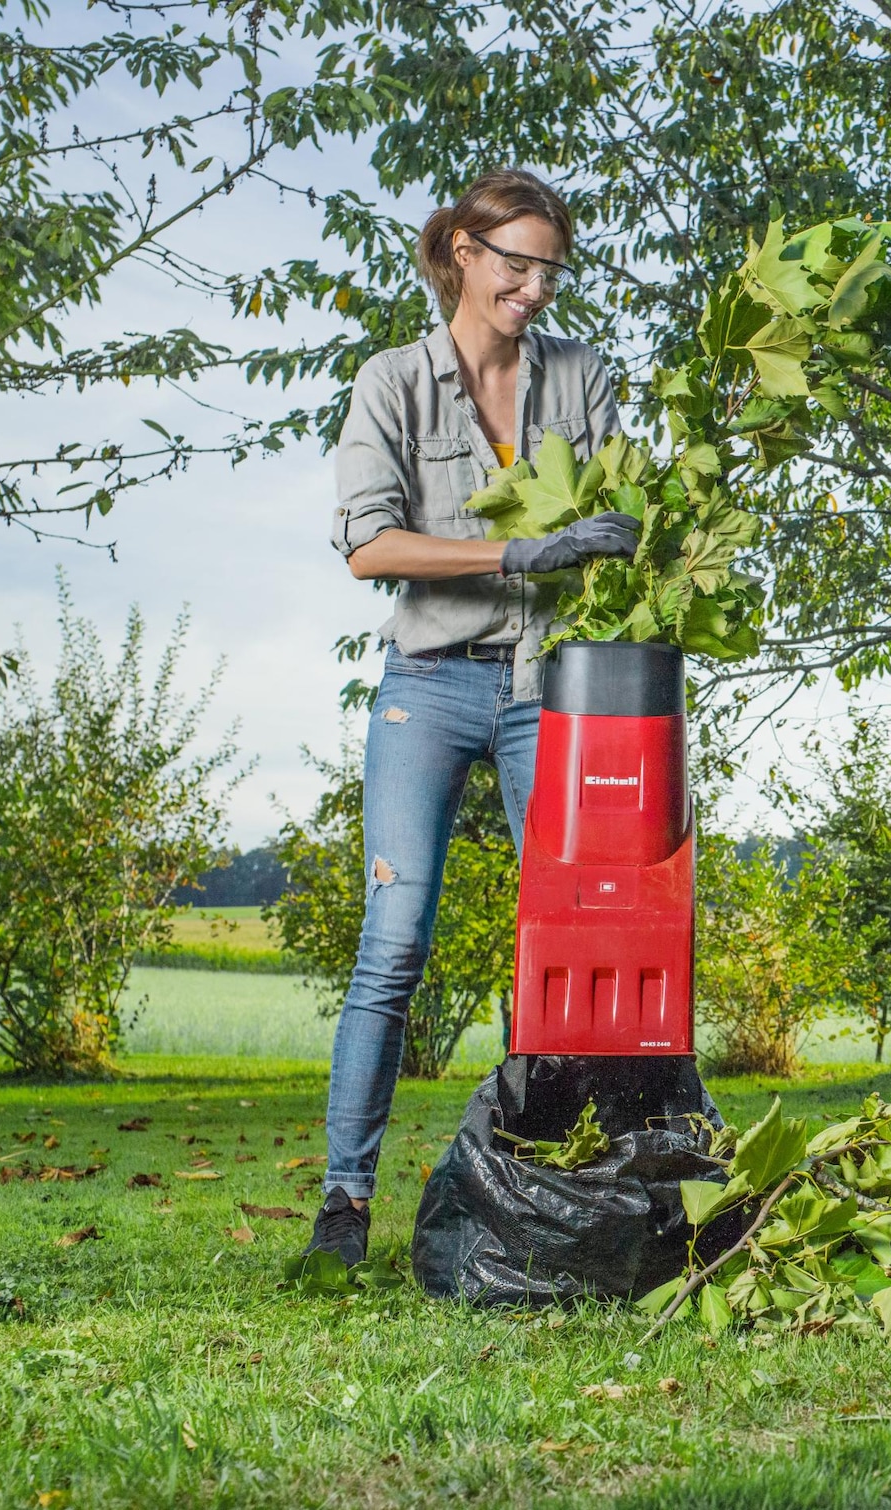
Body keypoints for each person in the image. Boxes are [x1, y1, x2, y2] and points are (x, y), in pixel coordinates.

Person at [305, 168, 639, 1265]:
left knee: (561, 943)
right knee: (393, 942)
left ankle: (537, 1191)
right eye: (516, 262)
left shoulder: (584, 379)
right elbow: (368, 544)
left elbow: (625, 508)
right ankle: (344, 1207)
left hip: (552, 691)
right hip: (430, 686)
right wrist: (513, 552)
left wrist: (636, 529)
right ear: (460, 250)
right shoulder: (391, 383)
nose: (535, 289)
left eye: (551, 269)